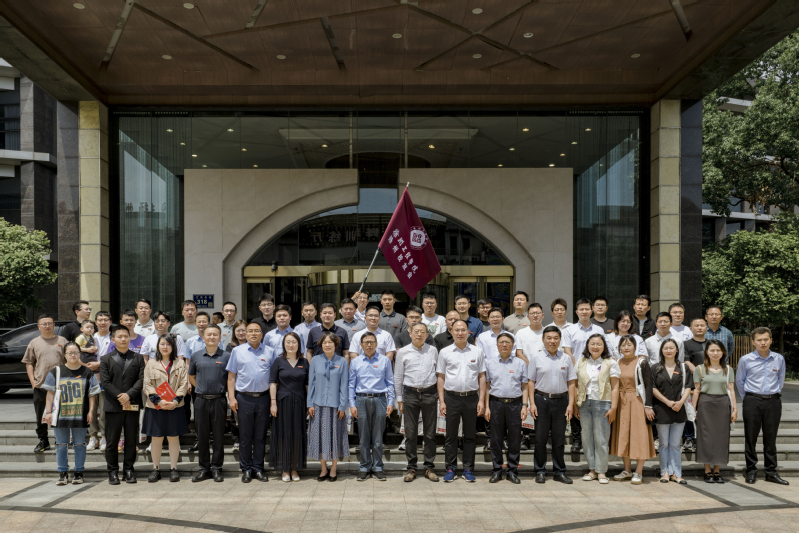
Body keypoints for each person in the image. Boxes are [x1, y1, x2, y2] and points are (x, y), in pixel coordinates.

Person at [42, 342, 100, 485]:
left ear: (80, 354)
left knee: (80, 444)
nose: (73, 355)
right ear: (64, 355)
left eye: (76, 352)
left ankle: (78, 472)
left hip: (80, 414)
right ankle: (62, 473)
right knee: (61, 445)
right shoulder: (56, 371)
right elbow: (50, 394)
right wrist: (48, 412)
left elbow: (92, 395)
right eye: (70, 352)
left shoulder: (87, 372)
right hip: (60, 415)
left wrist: (91, 412)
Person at [736, 326, 787, 485]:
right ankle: (751, 471)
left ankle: (771, 472)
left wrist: (773, 394)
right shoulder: (746, 359)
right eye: (759, 340)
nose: (763, 343)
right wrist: (749, 398)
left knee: (770, 438)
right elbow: (740, 381)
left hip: (773, 401)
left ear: (771, 340)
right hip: (752, 400)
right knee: (750, 437)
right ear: (753, 342)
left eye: (766, 339)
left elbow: (781, 379)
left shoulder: (779, 358)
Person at [437, 320, 486, 483]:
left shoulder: (477, 351)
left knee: (470, 435)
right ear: (451, 332)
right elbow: (441, 377)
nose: (460, 333)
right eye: (456, 330)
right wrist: (442, 401)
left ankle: (468, 469)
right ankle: (450, 468)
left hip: (471, 398)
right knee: (451, 435)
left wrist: (481, 400)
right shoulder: (445, 352)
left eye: (463, 330)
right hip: (451, 398)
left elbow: (482, 376)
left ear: (468, 332)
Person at [528, 326, 576, 484]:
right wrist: (532, 403)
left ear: (560, 340)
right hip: (541, 401)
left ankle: (559, 471)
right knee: (540, 439)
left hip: (561, 402)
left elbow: (571, 383)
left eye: (555, 338)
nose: (552, 341)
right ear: (543, 340)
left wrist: (571, 404)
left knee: (559, 439)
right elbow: (531, 382)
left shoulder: (566, 358)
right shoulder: (536, 357)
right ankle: (540, 470)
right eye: (549, 338)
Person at [100, 324, 146, 484]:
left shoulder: (138, 358)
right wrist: (120, 396)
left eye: (126, 336)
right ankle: (112, 471)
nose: (123, 339)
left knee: (131, 440)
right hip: (113, 405)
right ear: (113, 339)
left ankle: (129, 470)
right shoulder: (105, 359)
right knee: (112, 441)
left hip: (132, 403)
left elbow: (141, 379)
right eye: (119, 336)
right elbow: (105, 382)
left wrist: (128, 395)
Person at [227, 322, 272, 483]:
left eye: (256, 331)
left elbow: (274, 378)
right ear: (245, 334)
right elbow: (231, 376)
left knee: (260, 436)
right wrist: (232, 398)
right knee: (245, 436)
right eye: (250, 331)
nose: (253, 334)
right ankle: (246, 469)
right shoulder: (237, 351)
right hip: (243, 398)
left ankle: (258, 468)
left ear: (261, 334)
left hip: (264, 398)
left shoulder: (270, 351)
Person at [395, 322, 440, 482]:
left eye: (422, 332)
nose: (419, 334)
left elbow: (438, 373)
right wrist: (399, 399)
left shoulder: (433, 350)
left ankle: (429, 467)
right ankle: (411, 468)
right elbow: (398, 377)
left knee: (430, 434)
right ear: (410, 334)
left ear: (427, 335)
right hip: (410, 394)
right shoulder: (403, 352)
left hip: (430, 394)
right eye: (416, 332)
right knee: (410, 433)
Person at [142, 334, 189, 483]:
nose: (165, 347)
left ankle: (173, 469)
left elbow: (183, 384)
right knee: (156, 438)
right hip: (155, 406)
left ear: (173, 347)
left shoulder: (180, 363)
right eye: (162, 344)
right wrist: (159, 401)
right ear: (158, 346)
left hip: (175, 406)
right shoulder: (151, 363)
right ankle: (155, 469)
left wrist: (175, 401)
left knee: (173, 437)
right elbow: (147, 384)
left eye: (168, 344)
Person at [610, 335, 655, 485]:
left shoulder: (642, 363)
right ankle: (627, 470)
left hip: (637, 401)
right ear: (619, 348)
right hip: (621, 402)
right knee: (623, 435)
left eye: (629, 345)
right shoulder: (617, 362)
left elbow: (649, 386)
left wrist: (648, 406)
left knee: (639, 435)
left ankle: (639, 472)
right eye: (623, 345)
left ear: (635, 347)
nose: (626, 347)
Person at [350, 331, 395, 481]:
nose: (369, 345)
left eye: (371, 342)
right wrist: (352, 404)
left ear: (376, 344)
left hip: (380, 399)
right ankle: (364, 467)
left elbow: (390, 382)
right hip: (361, 400)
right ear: (361, 345)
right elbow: (351, 385)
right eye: (366, 342)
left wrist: (390, 402)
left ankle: (378, 467)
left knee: (377, 437)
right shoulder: (355, 362)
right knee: (363, 436)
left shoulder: (385, 360)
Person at [575, 333, 619, 485]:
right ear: (587, 345)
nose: (595, 347)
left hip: (603, 403)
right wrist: (575, 404)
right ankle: (592, 470)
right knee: (587, 438)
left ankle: (601, 471)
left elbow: (615, 387)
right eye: (592, 344)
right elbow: (576, 384)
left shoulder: (610, 362)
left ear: (604, 346)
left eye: (599, 344)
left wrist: (614, 407)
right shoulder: (581, 361)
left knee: (601, 438)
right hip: (584, 403)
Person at [484, 332, 528, 484]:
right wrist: (487, 407)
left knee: (514, 439)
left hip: (515, 404)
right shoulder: (490, 363)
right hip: (495, 404)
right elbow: (487, 386)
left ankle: (512, 471)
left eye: (507, 342)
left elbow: (524, 386)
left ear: (512, 345)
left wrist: (524, 405)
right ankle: (497, 470)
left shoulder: (520, 363)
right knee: (495, 439)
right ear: (497, 345)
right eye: (501, 342)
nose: (504, 345)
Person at [187, 325, 229, 482]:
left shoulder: (226, 356)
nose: (212, 337)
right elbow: (191, 376)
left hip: (219, 400)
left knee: (218, 436)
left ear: (220, 337)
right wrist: (200, 387)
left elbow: (231, 378)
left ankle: (217, 468)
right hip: (201, 401)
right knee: (202, 436)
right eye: (209, 334)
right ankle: (204, 469)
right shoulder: (196, 356)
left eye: (215, 334)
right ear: (203, 338)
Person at [565, 298, 607, 452]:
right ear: (576, 312)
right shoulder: (569, 330)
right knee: (577, 403)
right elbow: (567, 351)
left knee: (593, 403)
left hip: (595, 372)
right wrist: (577, 368)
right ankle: (577, 440)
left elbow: (603, 349)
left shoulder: (599, 330)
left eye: (587, 309)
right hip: (576, 372)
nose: (584, 312)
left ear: (591, 311)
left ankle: (595, 439)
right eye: (581, 309)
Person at [307, 331, 350, 482]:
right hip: (318, 404)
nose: (327, 345)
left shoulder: (342, 361)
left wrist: (343, 406)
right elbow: (311, 383)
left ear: (335, 345)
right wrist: (310, 404)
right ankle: (323, 468)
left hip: (336, 406)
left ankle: (333, 468)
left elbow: (344, 385)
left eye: (330, 342)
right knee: (320, 437)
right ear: (321, 345)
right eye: (324, 342)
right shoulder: (315, 360)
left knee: (335, 436)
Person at [693, 339, 737, 483]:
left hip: (723, 404)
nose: (715, 353)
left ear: (723, 352)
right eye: (712, 350)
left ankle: (717, 470)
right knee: (705, 437)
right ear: (707, 352)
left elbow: (731, 390)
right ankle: (707, 471)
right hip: (705, 404)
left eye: (718, 350)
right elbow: (696, 390)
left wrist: (735, 409)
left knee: (721, 438)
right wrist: (693, 409)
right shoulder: (699, 369)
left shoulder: (728, 369)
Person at [23, 314, 67, 453]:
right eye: (44, 324)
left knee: (60, 414)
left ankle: (60, 440)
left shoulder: (62, 340)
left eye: (50, 323)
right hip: (41, 385)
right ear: (39, 327)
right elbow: (29, 363)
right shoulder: (34, 342)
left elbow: (70, 360)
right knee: (40, 416)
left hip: (60, 385)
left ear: (54, 325)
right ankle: (43, 440)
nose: (47, 326)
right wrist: (33, 381)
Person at [270, 332, 309, 482]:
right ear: (284, 344)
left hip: (300, 402)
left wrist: (309, 404)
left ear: (299, 344)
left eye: (294, 342)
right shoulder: (278, 361)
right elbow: (273, 383)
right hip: (282, 402)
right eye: (288, 342)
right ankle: (285, 469)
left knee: (297, 435)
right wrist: (273, 402)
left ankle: (294, 468)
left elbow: (307, 385)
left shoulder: (304, 362)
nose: (291, 345)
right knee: (283, 435)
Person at [651, 339, 690, 484]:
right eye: (665, 348)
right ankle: (664, 472)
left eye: (671, 348)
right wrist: (667, 401)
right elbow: (652, 388)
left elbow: (688, 386)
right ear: (661, 350)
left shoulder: (683, 367)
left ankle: (676, 473)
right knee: (664, 444)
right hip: (662, 409)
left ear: (677, 350)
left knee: (675, 444)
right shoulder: (655, 368)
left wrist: (680, 402)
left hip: (679, 409)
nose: (668, 350)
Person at [681, 317, 708, 452]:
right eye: (696, 326)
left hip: (710, 383)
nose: (699, 328)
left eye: (702, 325)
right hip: (692, 383)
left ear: (706, 328)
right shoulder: (686, 344)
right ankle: (689, 438)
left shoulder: (712, 344)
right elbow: (686, 361)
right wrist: (700, 374)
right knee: (690, 410)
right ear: (691, 329)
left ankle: (704, 439)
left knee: (706, 412)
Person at [88, 311, 113, 451]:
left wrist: (99, 364)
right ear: (95, 322)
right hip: (90, 378)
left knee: (104, 409)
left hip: (106, 379)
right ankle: (93, 436)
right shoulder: (89, 337)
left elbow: (114, 357)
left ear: (110, 322)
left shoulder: (114, 337)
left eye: (105, 319)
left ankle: (103, 436)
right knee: (91, 408)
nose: (103, 322)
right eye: (100, 320)